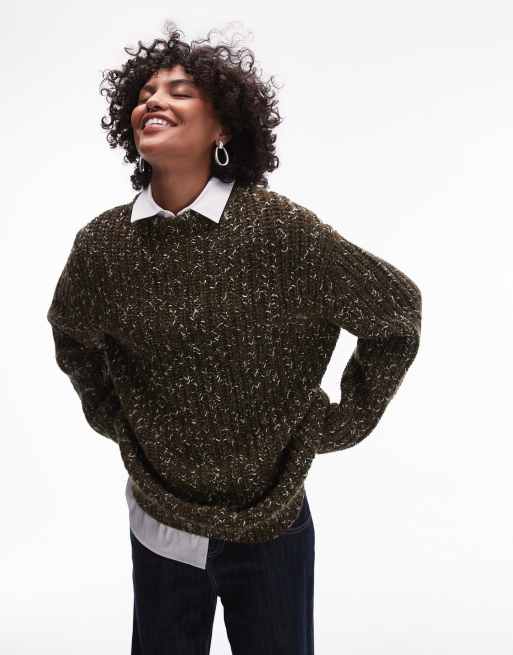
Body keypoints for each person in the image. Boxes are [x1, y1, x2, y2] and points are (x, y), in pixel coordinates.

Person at [46, 22, 422, 655]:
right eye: (144, 93)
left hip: (271, 519)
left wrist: (336, 423)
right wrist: (116, 416)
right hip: (160, 518)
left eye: (179, 91)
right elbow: (71, 332)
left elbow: (395, 313)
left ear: (222, 127)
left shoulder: (279, 230)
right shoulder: (104, 245)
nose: (153, 101)